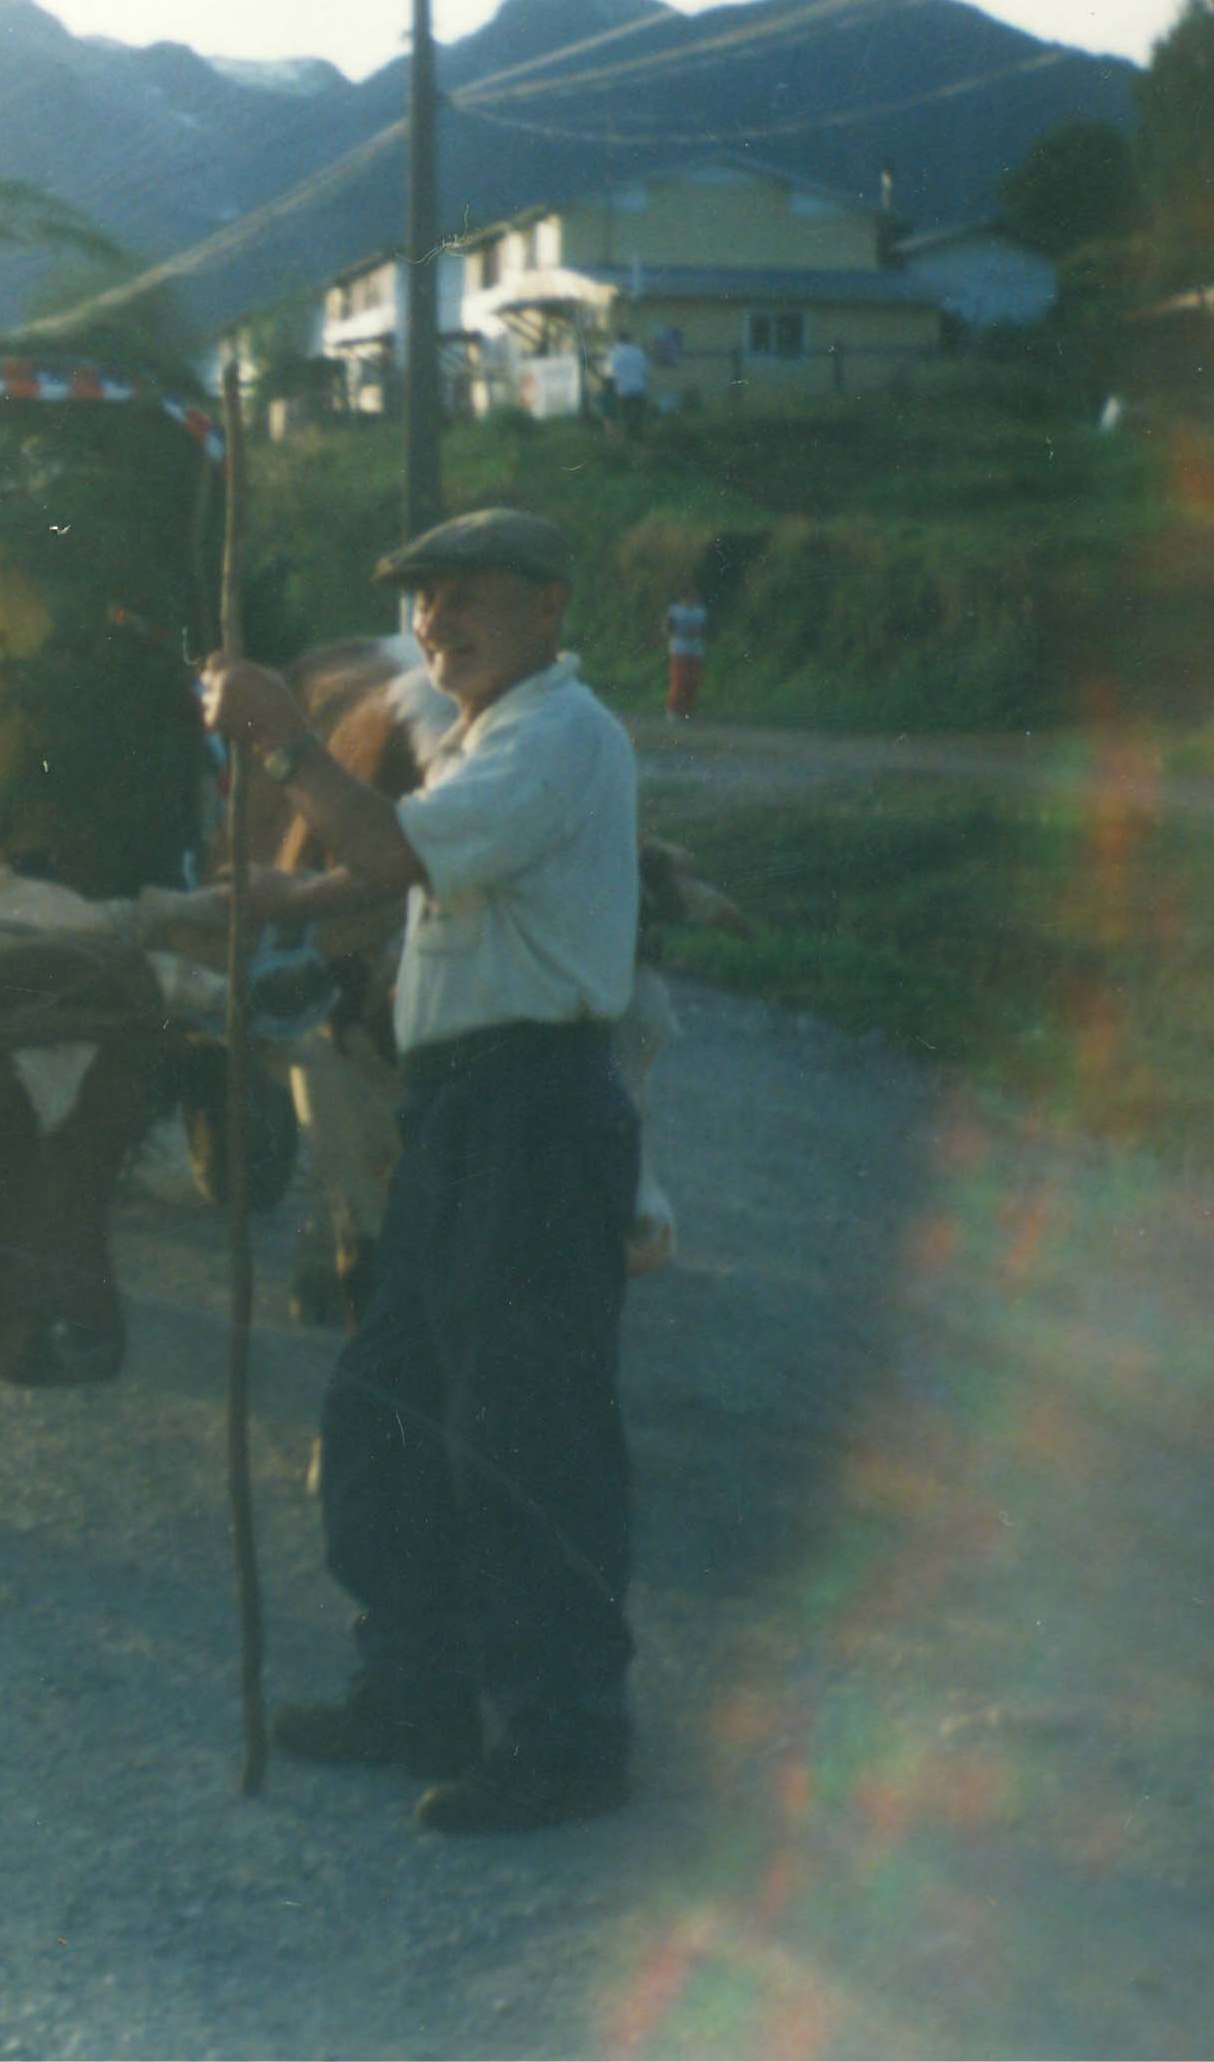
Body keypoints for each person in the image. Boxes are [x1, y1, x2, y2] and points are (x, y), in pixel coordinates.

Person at [195, 507, 643, 1836]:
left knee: (524, 1435)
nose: (437, 625)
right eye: (423, 604)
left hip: (531, 1112)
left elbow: (389, 853)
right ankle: (419, 1689)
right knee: (383, 1410)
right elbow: (398, 874)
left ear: (548, 608)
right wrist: (267, 902)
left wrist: (280, 739)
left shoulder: (559, 736)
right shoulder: (477, 741)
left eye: (468, 601)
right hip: (456, 1111)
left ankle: (562, 1737)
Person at [664, 585, 709, 721]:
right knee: (679, 680)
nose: (690, 599)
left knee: (693, 682)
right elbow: (667, 627)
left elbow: (705, 630)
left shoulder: (700, 612)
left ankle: (688, 711)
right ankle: (673, 710)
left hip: (695, 650)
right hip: (679, 650)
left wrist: (696, 632)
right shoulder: (676, 611)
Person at [604, 328, 650, 438]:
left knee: (624, 418)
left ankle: (626, 441)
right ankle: (638, 439)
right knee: (638, 418)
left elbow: (609, 374)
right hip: (639, 389)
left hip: (623, 390)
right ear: (629, 340)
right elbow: (645, 371)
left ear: (617, 340)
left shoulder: (614, 353)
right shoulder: (638, 352)